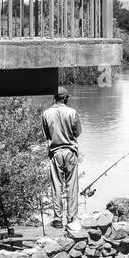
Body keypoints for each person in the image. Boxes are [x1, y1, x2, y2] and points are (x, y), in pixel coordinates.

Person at [41, 86, 82, 227]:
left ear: (54, 98)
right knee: (72, 186)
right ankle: (72, 219)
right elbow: (78, 132)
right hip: (70, 152)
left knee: (56, 185)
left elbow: (46, 135)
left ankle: (58, 219)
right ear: (65, 98)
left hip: (55, 153)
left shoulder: (46, 114)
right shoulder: (72, 112)